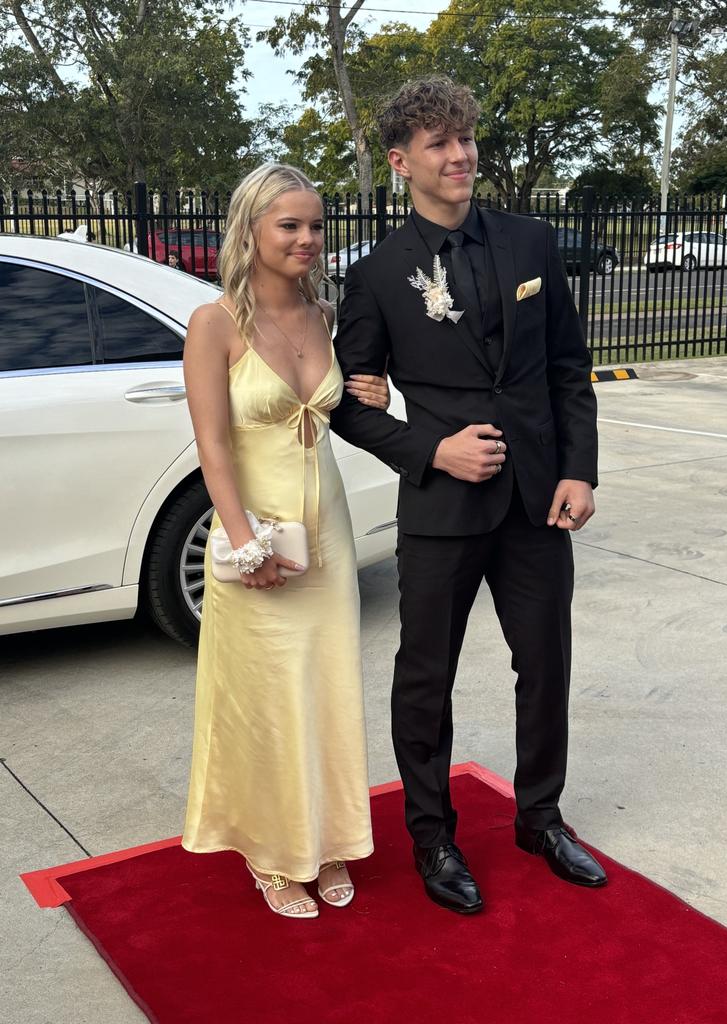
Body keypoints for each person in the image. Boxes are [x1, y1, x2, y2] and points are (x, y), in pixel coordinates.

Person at [331, 77, 607, 914]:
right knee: (425, 677)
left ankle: (540, 816)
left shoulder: (530, 243)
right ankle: (432, 836)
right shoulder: (379, 273)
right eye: (438, 144)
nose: (458, 156)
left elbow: (568, 367)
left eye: (464, 139)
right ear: (400, 160)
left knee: (546, 664)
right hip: (444, 512)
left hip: (536, 503)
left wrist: (578, 469)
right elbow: (344, 400)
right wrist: (431, 449)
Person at [181, 164, 390, 920]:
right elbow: (212, 449)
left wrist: (377, 391)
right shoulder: (214, 323)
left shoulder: (324, 314)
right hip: (255, 534)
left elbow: (343, 404)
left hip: (325, 530)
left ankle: (327, 838)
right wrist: (244, 545)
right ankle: (271, 854)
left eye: (316, 225)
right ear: (251, 231)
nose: (307, 239)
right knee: (266, 698)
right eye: (289, 226)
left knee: (326, 687)